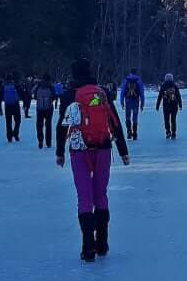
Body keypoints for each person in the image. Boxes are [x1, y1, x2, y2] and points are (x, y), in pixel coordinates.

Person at [57, 59, 129, 262]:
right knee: (101, 194)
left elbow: (62, 125)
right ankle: (103, 243)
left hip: (79, 150)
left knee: (84, 197)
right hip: (103, 148)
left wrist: (59, 151)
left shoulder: (69, 95)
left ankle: (88, 247)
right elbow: (114, 121)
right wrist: (123, 150)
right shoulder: (101, 93)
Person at [118, 68, 145, 141]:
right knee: (135, 116)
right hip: (136, 100)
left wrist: (122, 102)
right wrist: (142, 104)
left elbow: (122, 92)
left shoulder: (126, 80)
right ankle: (135, 133)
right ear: (136, 72)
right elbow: (142, 93)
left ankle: (129, 131)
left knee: (128, 116)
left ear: (130, 72)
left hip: (128, 100)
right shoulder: (138, 80)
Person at [156, 73, 184, 139]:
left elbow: (159, 96)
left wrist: (157, 105)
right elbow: (178, 96)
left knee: (166, 119)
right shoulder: (174, 86)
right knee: (173, 119)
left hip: (166, 106)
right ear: (172, 78)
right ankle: (173, 133)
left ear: (165, 78)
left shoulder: (163, 86)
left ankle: (168, 132)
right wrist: (180, 105)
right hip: (174, 105)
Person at [33, 74, 55, 149]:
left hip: (40, 108)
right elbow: (54, 96)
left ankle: (40, 140)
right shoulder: (51, 86)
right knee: (48, 125)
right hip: (49, 108)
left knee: (39, 125)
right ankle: (48, 142)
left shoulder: (38, 86)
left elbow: (34, 96)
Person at [2, 77, 22, 143]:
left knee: (8, 122)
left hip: (7, 105)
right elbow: (20, 93)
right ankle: (15, 133)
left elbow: (1, 96)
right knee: (18, 120)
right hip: (15, 105)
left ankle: (9, 137)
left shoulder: (4, 86)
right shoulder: (15, 85)